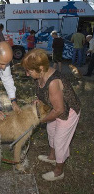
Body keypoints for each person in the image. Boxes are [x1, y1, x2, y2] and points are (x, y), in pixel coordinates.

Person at [22, 49, 80, 181]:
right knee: (51, 131)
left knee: (60, 141)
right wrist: (39, 100)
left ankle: (59, 171)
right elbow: (43, 93)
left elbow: (59, 110)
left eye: (29, 71)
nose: (27, 74)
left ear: (41, 68)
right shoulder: (40, 75)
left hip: (68, 112)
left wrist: (40, 120)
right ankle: (52, 157)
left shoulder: (53, 82)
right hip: (55, 109)